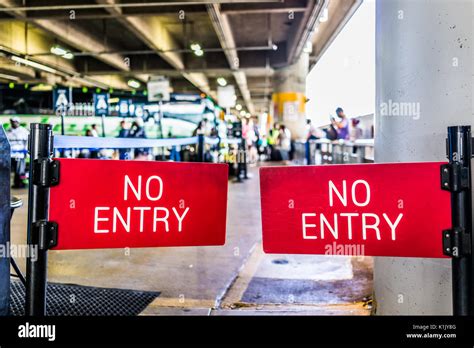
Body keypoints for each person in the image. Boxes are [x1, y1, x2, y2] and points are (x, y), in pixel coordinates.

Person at [7, 117, 28, 188]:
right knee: (13, 171)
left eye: (14, 121)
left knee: (20, 171)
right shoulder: (8, 131)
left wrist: (25, 153)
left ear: (18, 122)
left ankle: (21, 184)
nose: (13, 123)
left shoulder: (23, 131)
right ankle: (16, 184)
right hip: (11, 154)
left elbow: (27, 142)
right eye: (12, 121)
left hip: (20, 154)